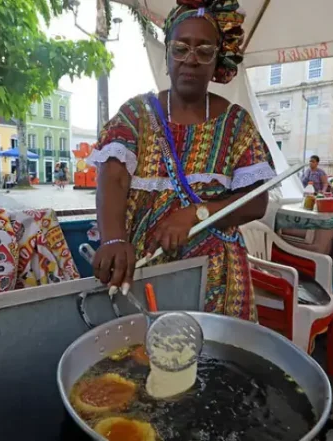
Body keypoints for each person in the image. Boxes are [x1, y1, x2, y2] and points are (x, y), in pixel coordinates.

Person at [88, 0, 275, 321]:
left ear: (217, 58)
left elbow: (256, 202)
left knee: (214, 358)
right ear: (167, 54)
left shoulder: (236, 124)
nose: (191, 59)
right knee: (141, 358)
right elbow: (113, 178)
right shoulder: (136, 115)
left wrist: (196, 214)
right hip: (144, 273)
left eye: (204, 51)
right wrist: (114, 238)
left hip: (219, 277)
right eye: (180, 48)